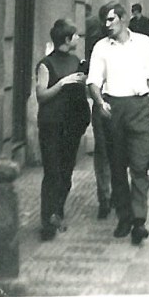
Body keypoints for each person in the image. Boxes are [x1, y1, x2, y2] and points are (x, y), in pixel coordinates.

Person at [87, 3, 149, 245]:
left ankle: (139, 220)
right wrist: (99, 102)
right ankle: (124, 217)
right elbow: (93, 81)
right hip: (113, 109)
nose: (107, 25)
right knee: (117, 167)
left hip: (139, 108)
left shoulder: (143, 43)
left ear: (123, 18)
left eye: (110, 20)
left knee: (140, 166)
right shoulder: (100, 47)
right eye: (104, 21)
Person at [35, 18, 90, 240]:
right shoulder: (45, 64)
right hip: (51, 125)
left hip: (71, 125)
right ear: (67, 39)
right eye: (75, 35)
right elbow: (41, 96)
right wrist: (63, 82)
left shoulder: (76, 60)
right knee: (52, 173)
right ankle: (47, 222)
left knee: (66, 172)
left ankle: (58, 212)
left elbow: (80, 93)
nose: (78, 38)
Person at [84, 1, 115, 219]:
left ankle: (106, 195)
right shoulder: (102, 45)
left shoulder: (95, 43)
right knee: (112, 151)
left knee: (103, 153)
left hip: (103, 101)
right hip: (109, 101)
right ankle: (109, 196)